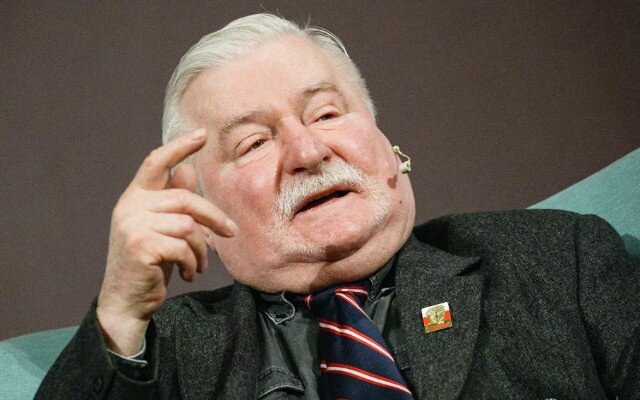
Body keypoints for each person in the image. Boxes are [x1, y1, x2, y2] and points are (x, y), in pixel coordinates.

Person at [36, 13, 639, 400]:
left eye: (326, 113)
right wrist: (119, 314)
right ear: (199, 213)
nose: (308, 151)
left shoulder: (558, 262)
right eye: (254, 143)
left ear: (387, 146)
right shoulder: (161, 357)